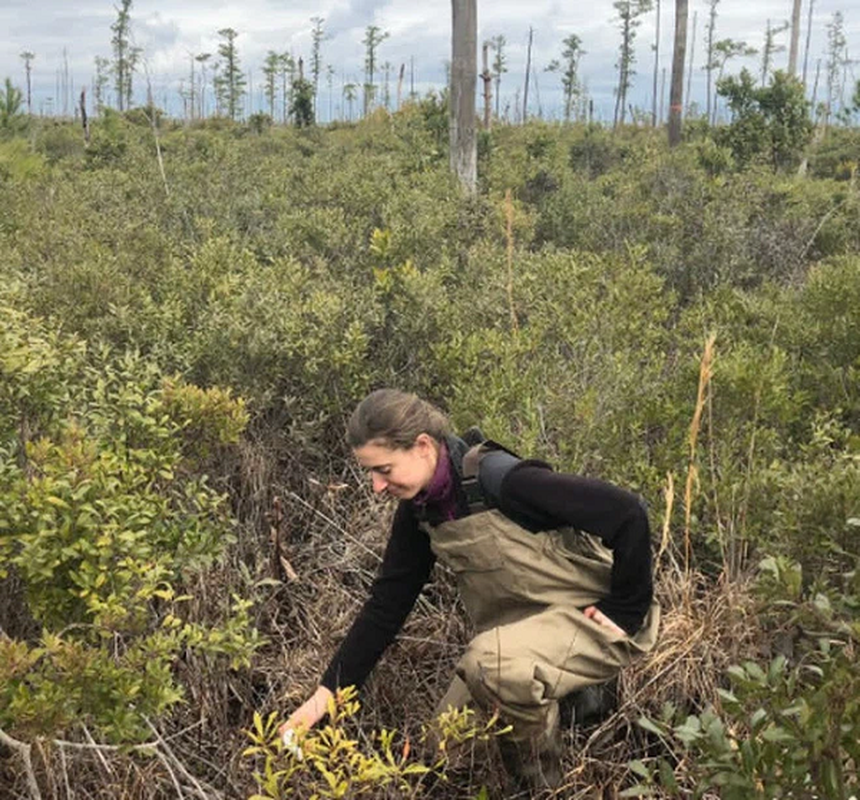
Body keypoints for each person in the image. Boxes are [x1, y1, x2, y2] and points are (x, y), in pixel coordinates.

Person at [281, 389, 660, 790]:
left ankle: (546, 787)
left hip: (588, 619)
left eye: (384, 469)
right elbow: (386, 606)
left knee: (491, 667)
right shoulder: (420, 511)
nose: (376, 485)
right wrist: (325, 696)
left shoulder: (503, 480)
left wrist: (626, 610)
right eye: (371, 473)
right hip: (521, 632)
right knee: (446, 750)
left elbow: (627, 513)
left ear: (423, 446)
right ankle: (570, 698)